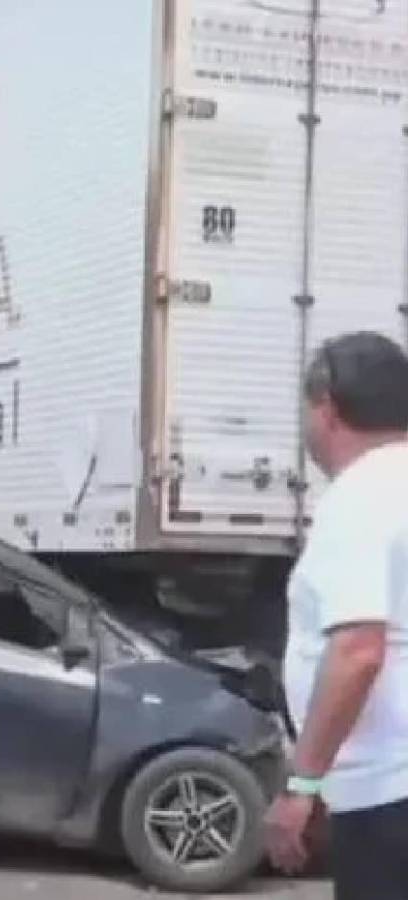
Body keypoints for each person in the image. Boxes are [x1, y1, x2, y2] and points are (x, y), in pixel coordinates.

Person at [265, 331, 408, 899]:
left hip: (389, 797)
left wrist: (304, 782)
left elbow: (357, 651)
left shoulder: (363, 495)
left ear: (325, 407)